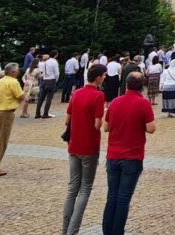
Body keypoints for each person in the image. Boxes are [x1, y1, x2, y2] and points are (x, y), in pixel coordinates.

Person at [102, 71, 156, 235]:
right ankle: (118, 232)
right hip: (132, 156)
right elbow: (151, 128)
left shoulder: (115, 102)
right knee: (123, 198)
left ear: (126, 84)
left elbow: (106, 127)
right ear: (142, 87)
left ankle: (107, 231)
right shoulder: (143, 103)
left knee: (112, 196)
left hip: (113, 155)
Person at [63, 64, 106, 235]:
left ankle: (65, 229)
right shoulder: (98, 95)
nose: (104, 78)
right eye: (103, 76)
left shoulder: (77, 93)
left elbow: (67, 119)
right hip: (89, 145)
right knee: (85, 188)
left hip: (73, 144)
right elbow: (97, 124)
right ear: (97, 78)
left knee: (72, 187)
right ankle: (72, 231)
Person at [37, 52, 60, 119]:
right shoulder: (54, 62)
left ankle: (37, 113)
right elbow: (57, 73)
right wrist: (56, 80)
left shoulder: (45, 62)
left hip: (44, 80)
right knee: (49, 98)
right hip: (51, 80)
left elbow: (42, 72)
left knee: (41, 98)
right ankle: (45, 113)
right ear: (56, 55)